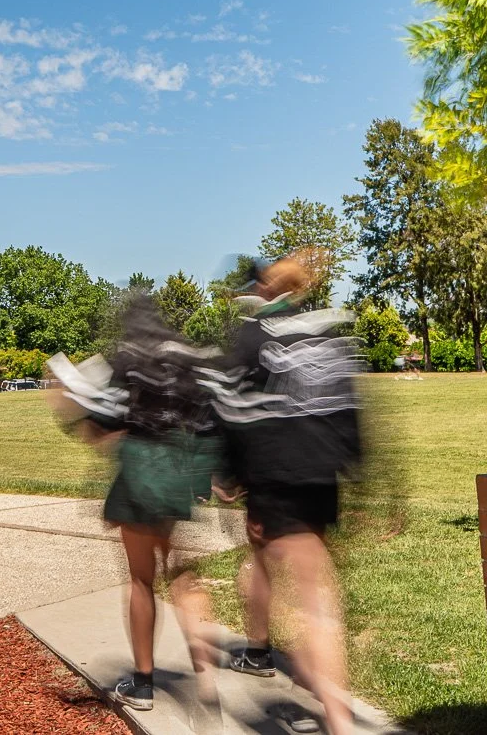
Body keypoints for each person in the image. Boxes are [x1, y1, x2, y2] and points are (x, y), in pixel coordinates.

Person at [203, 253, 361, 735]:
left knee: (295, 586)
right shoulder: (327, 335)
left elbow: (227, 405)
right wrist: (362, 470)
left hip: (275, 478)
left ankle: (333, 715)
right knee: (298, 577)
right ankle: (260, 651)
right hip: (320, 478)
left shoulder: (254, 336)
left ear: (267, 289)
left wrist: (226, 474)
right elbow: (350, 408)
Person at [47, 294, 223, 713]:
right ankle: (208, 682)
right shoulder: (186, 359)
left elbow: (101, 422)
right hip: (177, 473)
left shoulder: (126, 359)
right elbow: (206, 421)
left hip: (139, 474)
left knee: (142, 581)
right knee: (183, 575)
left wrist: (62, 398)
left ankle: (143, 683)